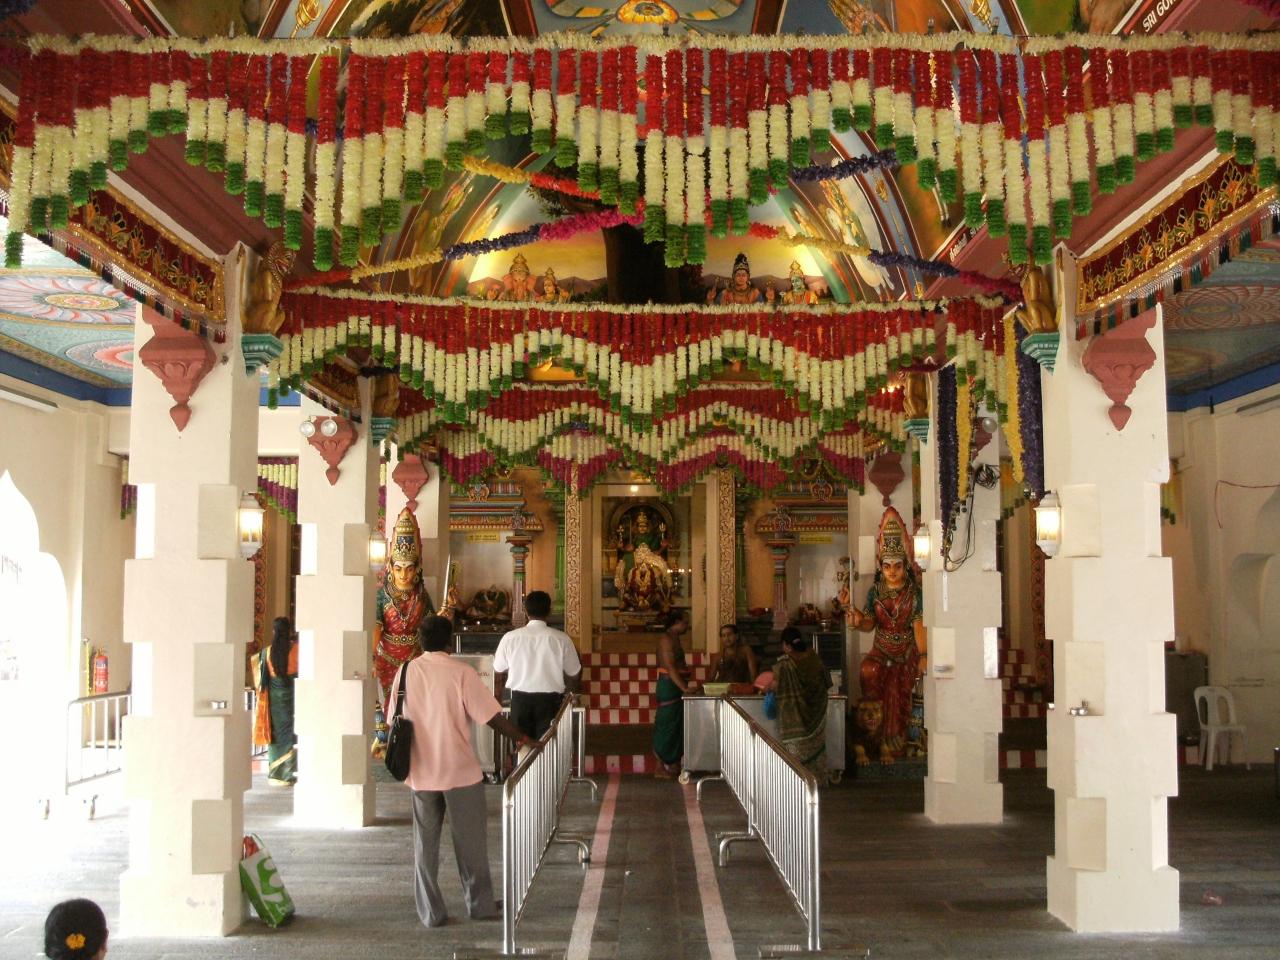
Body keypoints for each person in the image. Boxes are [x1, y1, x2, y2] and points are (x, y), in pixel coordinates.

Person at [387, 615, 534, 928]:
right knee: (471, 844)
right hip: (459, 771)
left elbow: (392, 719)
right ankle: (480, 905)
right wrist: (523, 739)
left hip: (421, 771)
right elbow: (491, 716)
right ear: (449, 641)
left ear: (420, 641)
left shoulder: (405, 671)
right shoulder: (461, 672)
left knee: (425, 845)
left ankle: (430, 912)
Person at [848, 507, 926, 764]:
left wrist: (923, 655)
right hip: (880, 649)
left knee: (896, 686)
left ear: (905, 566)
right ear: (880, 566)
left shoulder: (914, 593)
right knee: (868, 670)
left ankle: (896, 740)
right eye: (887, 566)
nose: (892, 571)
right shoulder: (875, 592)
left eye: (897, 566)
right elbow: (870, 623)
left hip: (905, 652)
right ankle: (874, 736)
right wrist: (857, 620)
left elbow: (919, 626)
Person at [373, 507, 435, 758]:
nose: (404, 575)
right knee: (387, 701)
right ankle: (386, 742)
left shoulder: (422, 595)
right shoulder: (382, 596)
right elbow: (376, 627)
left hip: (415, 656)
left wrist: (448, 610)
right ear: (390, 567)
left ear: (417, 568)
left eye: (409, 569)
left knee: (414, 701)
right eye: (399, 569)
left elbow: (432, 625)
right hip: (387, 656)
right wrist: (371, 658)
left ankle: (411, 742)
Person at [493, 591, 581, 741]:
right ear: (549, 611)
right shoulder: (561, 639)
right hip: (550, 704)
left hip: (520, 702)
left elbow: (498, 670)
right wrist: (570, 697)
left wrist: (497, 698)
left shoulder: (510, 638)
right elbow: (574, 673)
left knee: (522, 747)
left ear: (525, 610)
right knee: (548, 747)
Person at [772, 626, 831, 781]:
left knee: (796, 750)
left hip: (795, 718)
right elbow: (827, 682)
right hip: (817, 712)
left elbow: (775, 686)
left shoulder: (785, 665)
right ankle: (817, 780)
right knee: (816, 749)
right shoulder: (814, 658)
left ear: (786, 645)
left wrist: (764, 688)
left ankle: (797, 781)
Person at [653, 608, 698, 779]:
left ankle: (673, 764)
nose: (688, 626)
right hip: (669, 687)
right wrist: (684, 688)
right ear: (677, 622)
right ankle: (659, 767)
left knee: (677, 726)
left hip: (676, 686)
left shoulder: (675, 638)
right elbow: (670, 667)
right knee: (666, 725)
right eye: (685, 622)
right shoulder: (666, 640)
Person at [264, 616, 298, 786]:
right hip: (293, 698)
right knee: (291, 733)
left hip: (275, 701)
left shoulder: (267, 653)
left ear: (274, 632)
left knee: (276, 734)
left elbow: (262, 680)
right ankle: (289, 773)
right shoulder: (297, 650)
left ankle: (276, 775)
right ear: (289, 631)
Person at [710, 623, 758, 687]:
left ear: (737, 636)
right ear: (721, 639)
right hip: (723, 689)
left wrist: (753, 688)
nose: (727, 638)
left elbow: (753, 674)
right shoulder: (717, 656)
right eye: (723, 636)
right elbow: (711, 678)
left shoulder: (746, 651)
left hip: (742, 688)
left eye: (729, 634)